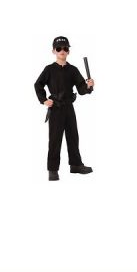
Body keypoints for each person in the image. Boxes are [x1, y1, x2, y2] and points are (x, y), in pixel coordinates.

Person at [34, 36, 95, 181]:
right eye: (58, 48)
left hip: (69, 107)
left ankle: (76, 165)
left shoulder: (73, 70)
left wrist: (88, 86)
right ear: (53, 51)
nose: (62, 50)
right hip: (56, 108)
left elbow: (81, 89)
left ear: (68, 51)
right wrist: (44, 100)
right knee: (55, 139)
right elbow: (38, 84)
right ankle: (53, 169)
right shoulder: (49, 69)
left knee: (73, 136)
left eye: (65, 48)